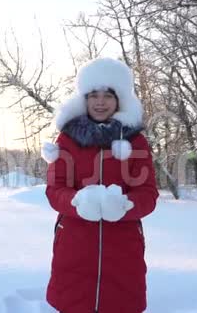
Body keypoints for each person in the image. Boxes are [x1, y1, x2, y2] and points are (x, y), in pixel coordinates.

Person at [41, 57, 159, 313]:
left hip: (123, 246)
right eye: (94, 94)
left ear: (120, 99)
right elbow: (55, 188)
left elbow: (148, 193)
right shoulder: (67, 139)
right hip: (74, 244)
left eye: (108, 94)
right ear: (84, 98)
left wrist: (124, 206)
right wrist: (78, 202)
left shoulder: (136, 142)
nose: (100, 101)